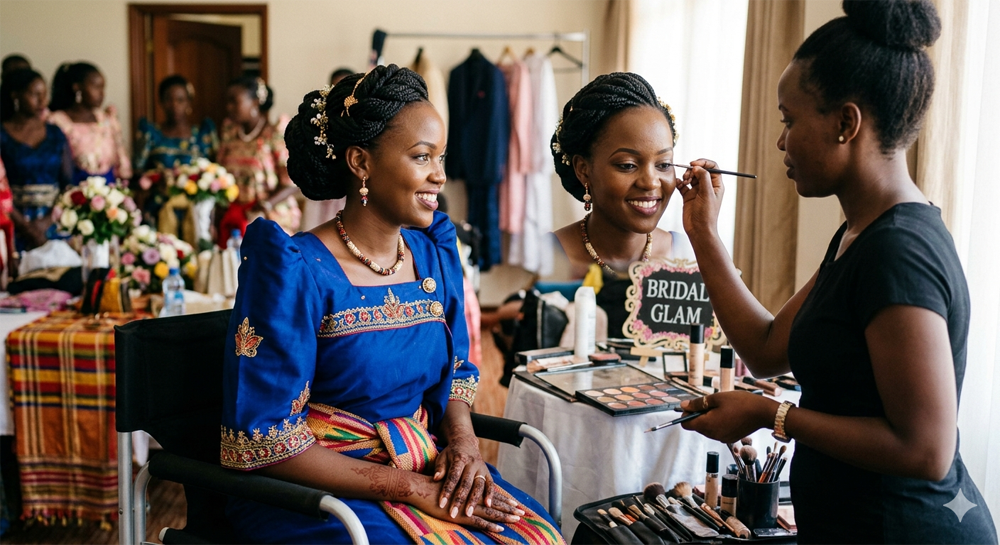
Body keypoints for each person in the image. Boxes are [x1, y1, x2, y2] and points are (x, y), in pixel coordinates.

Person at [675, 1, 998, 544]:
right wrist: (704, 233)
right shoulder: (860, 234)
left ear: (846, 123)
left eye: (789, 120)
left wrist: (771, 415)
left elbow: (926, 449)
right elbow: (766, 347)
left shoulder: (898, 252)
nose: (781, 141)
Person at [220, 64, 564, 545]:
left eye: (441, 157)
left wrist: (464, 445)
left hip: (422, 461)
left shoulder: (434, 252)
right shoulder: (293, 269)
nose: (440, 176)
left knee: (538, 537)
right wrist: (410, 489)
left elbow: (457, 372)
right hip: (317, 493)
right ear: (360, 162)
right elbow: (266, 439)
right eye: (422, 157)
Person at [550, 72, 694, 339]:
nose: (651, 182)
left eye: (664, 164)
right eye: (627, 165)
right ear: (583, 170)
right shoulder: (550, 256)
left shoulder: (688, 254)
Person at [217, 76, 298, 247]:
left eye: (234, 102)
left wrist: (263, 207)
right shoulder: (229, 134)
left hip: (269, 216)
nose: (229, 107)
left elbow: (291, 183)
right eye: (227, 102)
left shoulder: (274, 135)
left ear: (255, 102)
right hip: (235, 217)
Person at [0, 68, 72, 250]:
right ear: (16, 96)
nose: (42, 101)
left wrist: (46, 221)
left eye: (44, 94)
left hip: (52, 221)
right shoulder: (2, 134)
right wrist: (25, 226)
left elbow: (67, 183)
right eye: (34, 94)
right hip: (13, 219)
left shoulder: (55, 133)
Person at [47, 62, 131, 185]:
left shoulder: (107, 120)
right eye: (96, 87)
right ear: (77, 87)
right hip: (73, 188)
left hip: (109, 188)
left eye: (103, 88)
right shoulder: (58, 121)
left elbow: (121, 160)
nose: (102, 94)